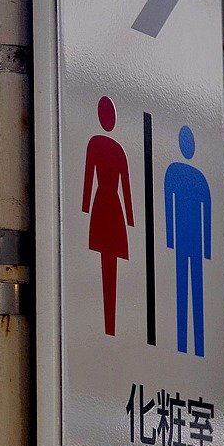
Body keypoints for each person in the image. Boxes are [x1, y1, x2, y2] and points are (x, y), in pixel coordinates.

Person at [82, 96, 134, 336]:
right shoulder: (115, 149)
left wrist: (85, 207)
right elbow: (125, 189)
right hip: (111, 206)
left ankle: (111, 326)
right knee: (106, 262)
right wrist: (130, 218)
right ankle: (108, 325)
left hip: (104, 204)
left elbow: (90, 182)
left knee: (107, 262)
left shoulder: (99, 145)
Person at [164, 125, 212, 357]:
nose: (188, 147)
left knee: (195, 292)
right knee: (183, 288)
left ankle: (196, 346)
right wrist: (170, 239)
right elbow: (168, 207)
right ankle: (183, 343)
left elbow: (207, 213)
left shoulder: (198, 177)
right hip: (186, 241)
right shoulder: (173, 172)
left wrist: (208, 249)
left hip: (192, 241)